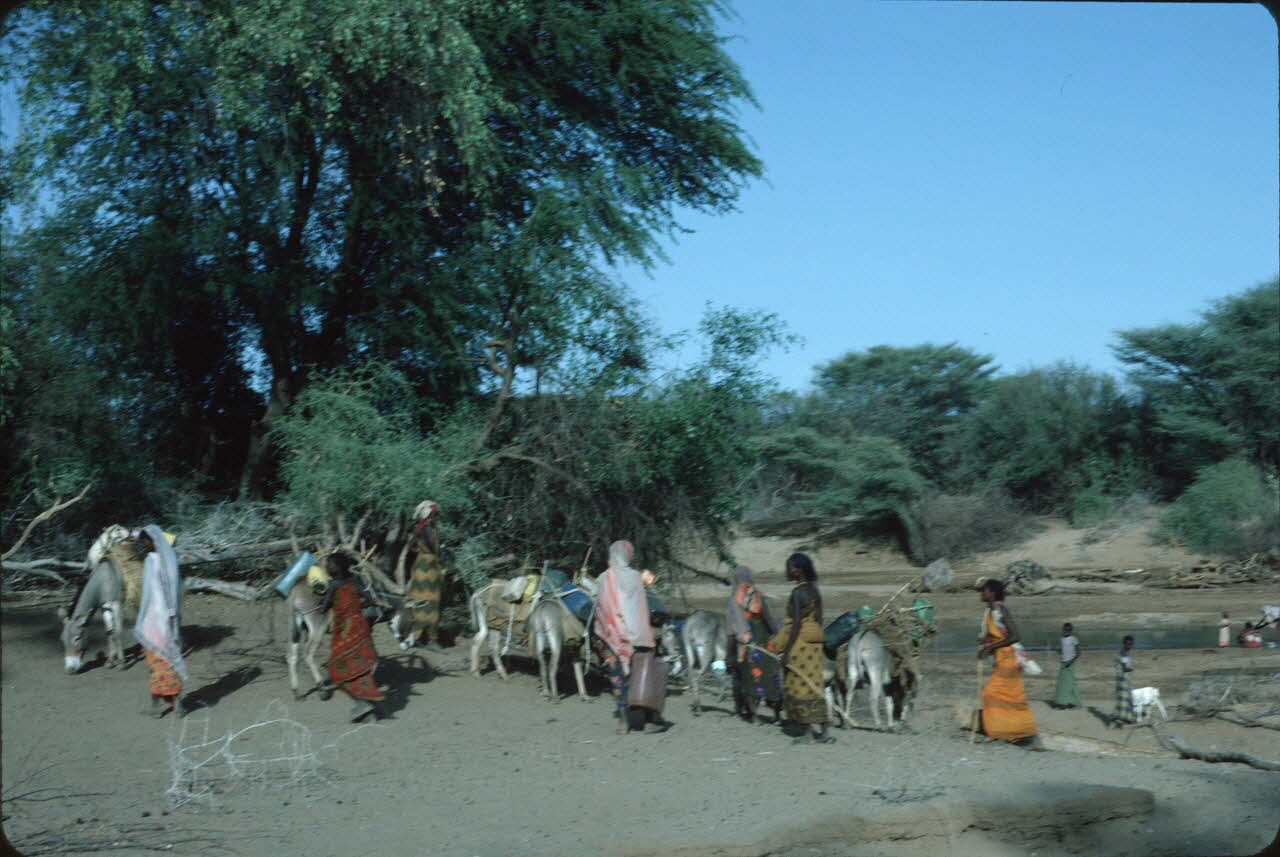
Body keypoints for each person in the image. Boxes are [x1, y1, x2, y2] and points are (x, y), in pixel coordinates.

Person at [592, 540, 668, 734]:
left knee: (617, 678)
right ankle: (649, 721)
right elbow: (640, 608)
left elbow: (600, 608)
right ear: (628, 555)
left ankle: (624, 722)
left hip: (612, 638)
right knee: (644, 676)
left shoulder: (603, 578)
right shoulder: (635, 577)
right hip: (639, 638)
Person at [769, 553, 833, 744]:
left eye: (790, 568)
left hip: (799, 644)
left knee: (799, 686)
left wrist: (786, 652)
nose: (787, 572)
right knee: (815, 684)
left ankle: (808, 735)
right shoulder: (814, 590)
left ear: (799, 570)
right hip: (814, 643)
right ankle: (825, 731)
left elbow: (795, 624)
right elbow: (819, 619)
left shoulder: (797, 592)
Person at [320, 553, 384, 722]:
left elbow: (324, 607)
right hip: (360, 628)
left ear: (338, 567)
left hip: (344, 631)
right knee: (360, 669)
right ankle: (367, 707)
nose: (326, 568)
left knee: (336, 670)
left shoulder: (333, 585)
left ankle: (363, 704)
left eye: (329, 565)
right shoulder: (355, 579)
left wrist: (323, 599)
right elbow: (370, 599)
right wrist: (358, 605)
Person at [133, 525, 187, 718]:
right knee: (155, 662)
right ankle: (160, 705)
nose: (142, 546)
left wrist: (172, 615)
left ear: (153, 540)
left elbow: (172, 590)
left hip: (163, 618)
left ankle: (175, 704)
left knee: (166, 660)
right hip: (151, 618)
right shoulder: (150, 560)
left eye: (144, 542)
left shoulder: (167, 561)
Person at [977, 578, 1037, 743]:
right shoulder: (990, 612)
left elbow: (1015, 636)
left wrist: (989, 648)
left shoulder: (1001, 610)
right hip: (1001, 659)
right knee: (1010, 697)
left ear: (992, 593)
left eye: (985, 590)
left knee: (990, 694)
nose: (982, 593)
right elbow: (996, 635)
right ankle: (1014, 730)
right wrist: (986, 645)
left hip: (1009, 659)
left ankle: (1000, 731)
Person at [725, 565, 782, 724]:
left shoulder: (734, 599)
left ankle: (754, 715)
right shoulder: (758, 596)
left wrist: (730, 654)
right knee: (770, 676)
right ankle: (776, 715)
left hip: (745, 643)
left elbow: (731, 628)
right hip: (763, 641)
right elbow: (768, 619)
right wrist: (778, 635)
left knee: (749, 678)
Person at [403, 500, 446, 652]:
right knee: (430, 603)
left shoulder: (422, 528)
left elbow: (411, 547)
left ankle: (417, 637)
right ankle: (430, 639)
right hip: (427, 569)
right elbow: (434, 549)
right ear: (428, 514)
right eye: (434, 514)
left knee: (422, 602)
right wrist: (441, 556)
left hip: (423, 567)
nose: (436, 517)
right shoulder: (426, 529)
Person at [1052, 622, 1082, 709]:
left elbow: (1078, 653)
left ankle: (1070, 702)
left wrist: (1070, 662)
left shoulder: (1074, 639)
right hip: (1063, 663)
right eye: (1064, 629)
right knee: (1062, 683)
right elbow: (1062, 652)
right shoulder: (1062, 639)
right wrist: (1055, 649)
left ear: (1071, 631)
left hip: (1070, 664)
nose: (1065, 631)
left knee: (1069, 683)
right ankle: (1063, 701)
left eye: (1068, 630)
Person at [1112, 635, 1136, 726]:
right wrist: (1131, 669)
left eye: (1131, 644)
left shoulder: (1125, 651)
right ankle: (1121, 719)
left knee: (1126, 697)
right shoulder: (1123, 653)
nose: (1129, 646)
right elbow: (1124, 668)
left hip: (1123, 676)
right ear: (1124, 643)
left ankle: (1127, 717)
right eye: (1128, 644)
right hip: (1122, 677)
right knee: (1124, 698)